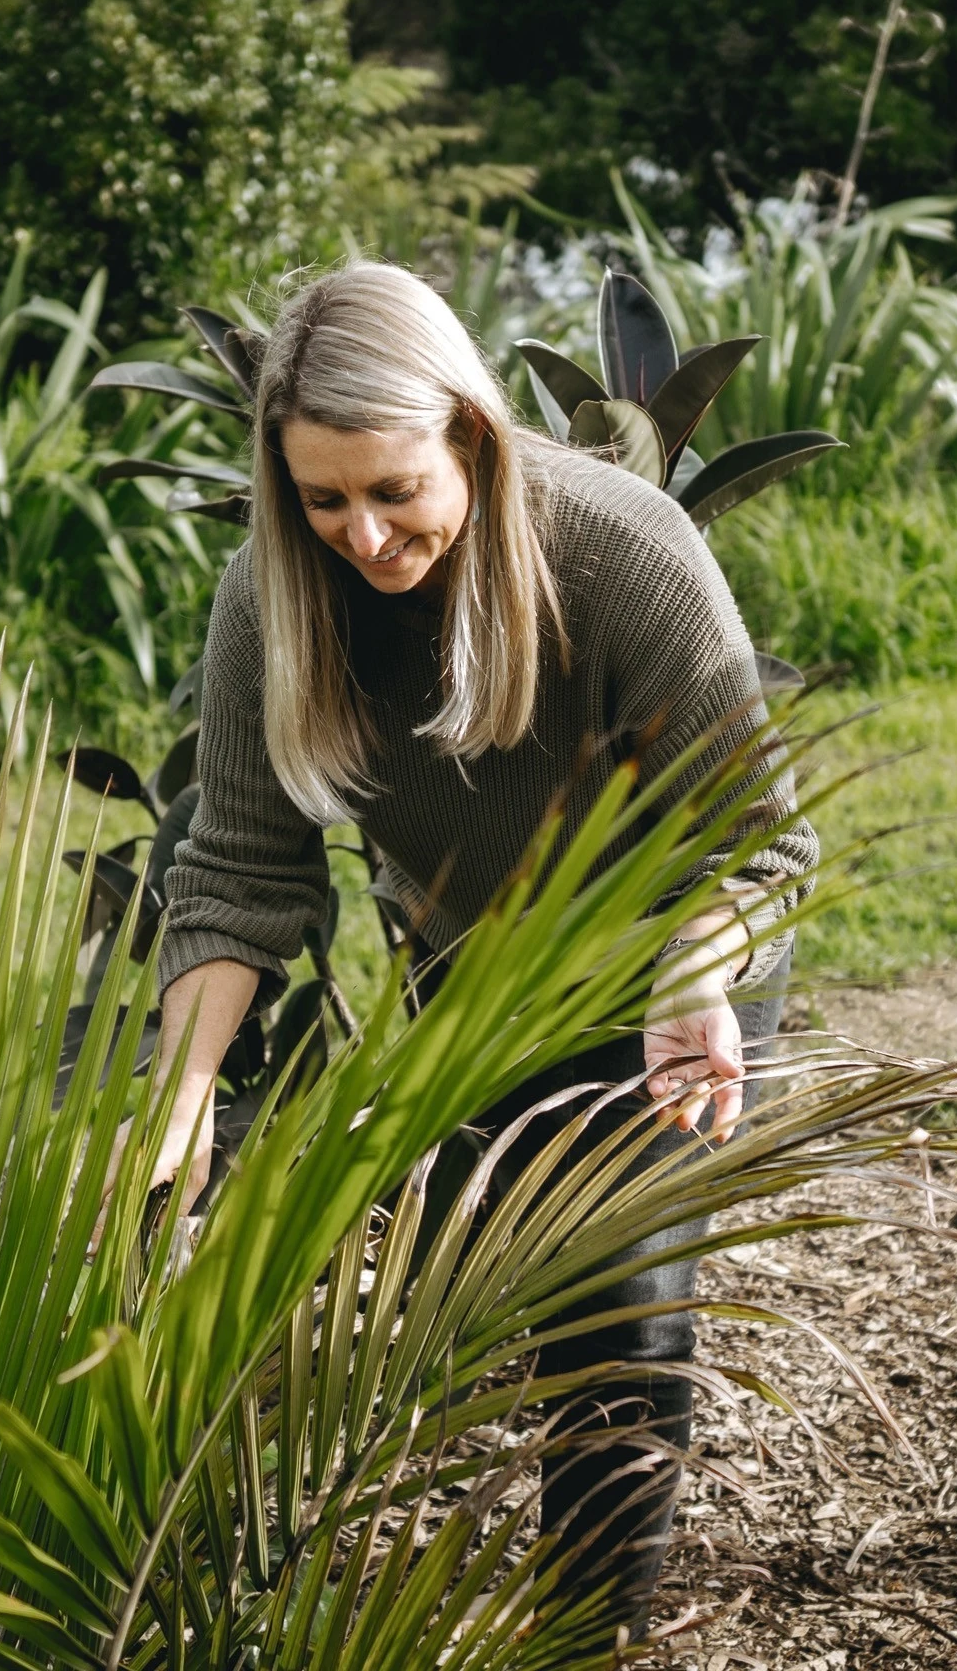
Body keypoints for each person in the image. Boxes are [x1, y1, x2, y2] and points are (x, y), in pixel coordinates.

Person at [140, 259, 816, 1645]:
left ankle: (585, 1635)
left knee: (614, 1306)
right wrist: (180, 1100)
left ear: (474, 436)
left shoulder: (622, 554)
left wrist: (695, 972)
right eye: (324, 499)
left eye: (395, 492)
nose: (364, 537)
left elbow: (762, 843)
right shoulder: (273, 598)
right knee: (441, 1284)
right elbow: (241, 870)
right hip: (476, 981)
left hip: (674, 980)